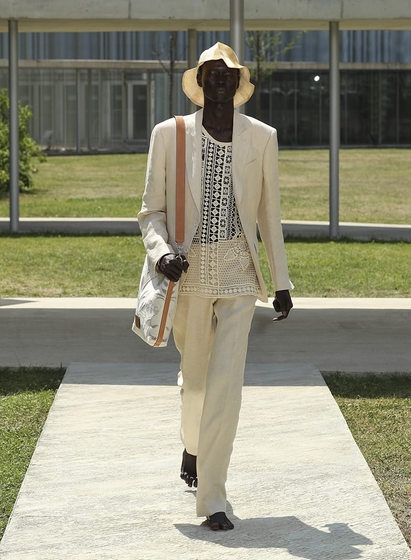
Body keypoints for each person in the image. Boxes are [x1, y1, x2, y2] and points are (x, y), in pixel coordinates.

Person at [138, 42, 293, 531]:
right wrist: (162, 253)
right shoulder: (170, 134)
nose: (220, 80)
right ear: (200, 81)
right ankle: (192, 444)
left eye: (229, 73)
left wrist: (281, 282)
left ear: (239, 82)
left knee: (226, 385)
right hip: (188, 273)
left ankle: (213, 497)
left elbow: (269, 215)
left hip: (241, 272)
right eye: (212, 73)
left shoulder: (262, 137)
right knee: (197, 382)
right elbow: (151, 212)